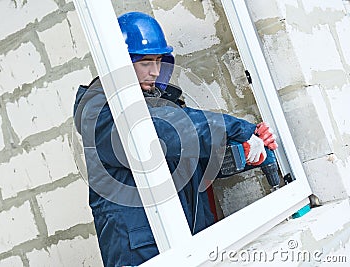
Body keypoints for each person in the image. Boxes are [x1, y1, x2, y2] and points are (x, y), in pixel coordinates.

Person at [73, 11, 277, 267]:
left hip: (187, 243)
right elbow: (165, 133)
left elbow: (191, 162)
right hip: (142, 253)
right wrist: (239, 129)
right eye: (146, 62)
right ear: (119, 64)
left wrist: (247, 150)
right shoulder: (99, 112)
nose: (155, 71)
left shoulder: (158, 107)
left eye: (159, 60)